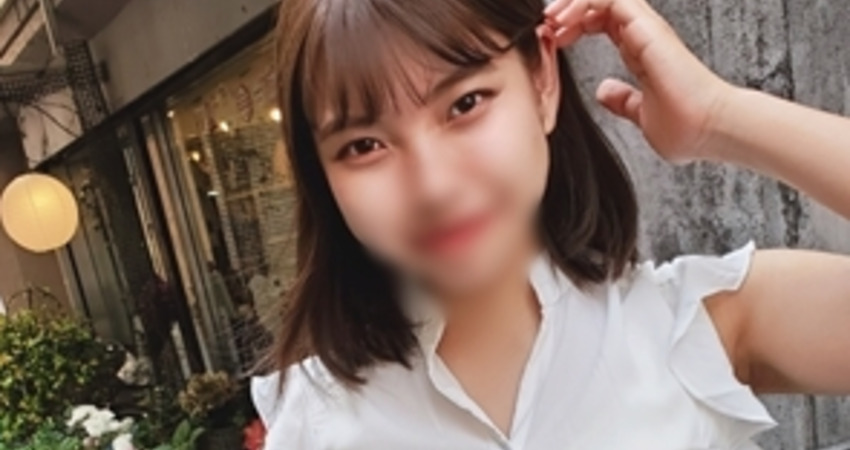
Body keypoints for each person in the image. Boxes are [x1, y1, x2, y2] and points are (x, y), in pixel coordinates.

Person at [251, 0, 850, 448]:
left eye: (465, 104)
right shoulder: (317, 423)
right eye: (364, 145)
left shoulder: (689, 326)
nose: (433, 186)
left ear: (542, 79)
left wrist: (719, 117)